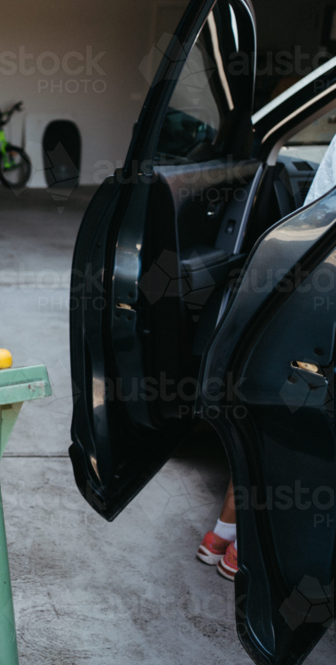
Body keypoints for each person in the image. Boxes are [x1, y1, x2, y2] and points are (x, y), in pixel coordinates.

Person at [197, 131, 336, 581]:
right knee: (307, 429)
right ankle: (253, 547)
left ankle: (222, 535)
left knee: (273, 411)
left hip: (308, 272)